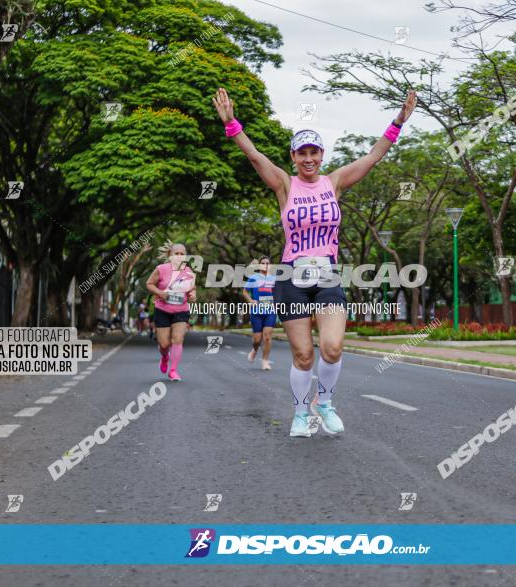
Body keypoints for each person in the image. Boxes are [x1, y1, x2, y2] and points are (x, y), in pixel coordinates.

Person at [213, 87, 417, 437]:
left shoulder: (333, 182)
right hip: (291, 276)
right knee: (304, 355)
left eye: (314, 152)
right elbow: (254, 156)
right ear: (293, 156)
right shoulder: (284, 184)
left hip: (326, 275)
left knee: (332, 347)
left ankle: (324, 402)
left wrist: (398, 121)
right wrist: (232, 124)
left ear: (322, 155)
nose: (308, 158)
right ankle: (299, 413)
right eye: (302, 153)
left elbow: (372, 157)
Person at [146, 244, 197, 381]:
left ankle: (173, 370)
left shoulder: (189, 271)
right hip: (162, 310)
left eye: (182, 254)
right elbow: (149, 284)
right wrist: (160, 293)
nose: (179, 256)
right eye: (177, 253)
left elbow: (192, 289)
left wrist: (193, 295)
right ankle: (164, 357)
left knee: (178, 339)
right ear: (170, 255)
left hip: (181, 310)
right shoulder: (161, 269)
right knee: (164, 344)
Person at [242, 256, 276, 370]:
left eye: (267, 263)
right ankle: (255, 350)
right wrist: (251, 301)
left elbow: (279, 293)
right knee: (257, 339)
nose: (265, 264)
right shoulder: (254, 278)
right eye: (263, 263)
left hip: (270, 311)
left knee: (267, 337)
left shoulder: (274, 279)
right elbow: (245, 292)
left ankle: (265, 361)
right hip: (256, 312)